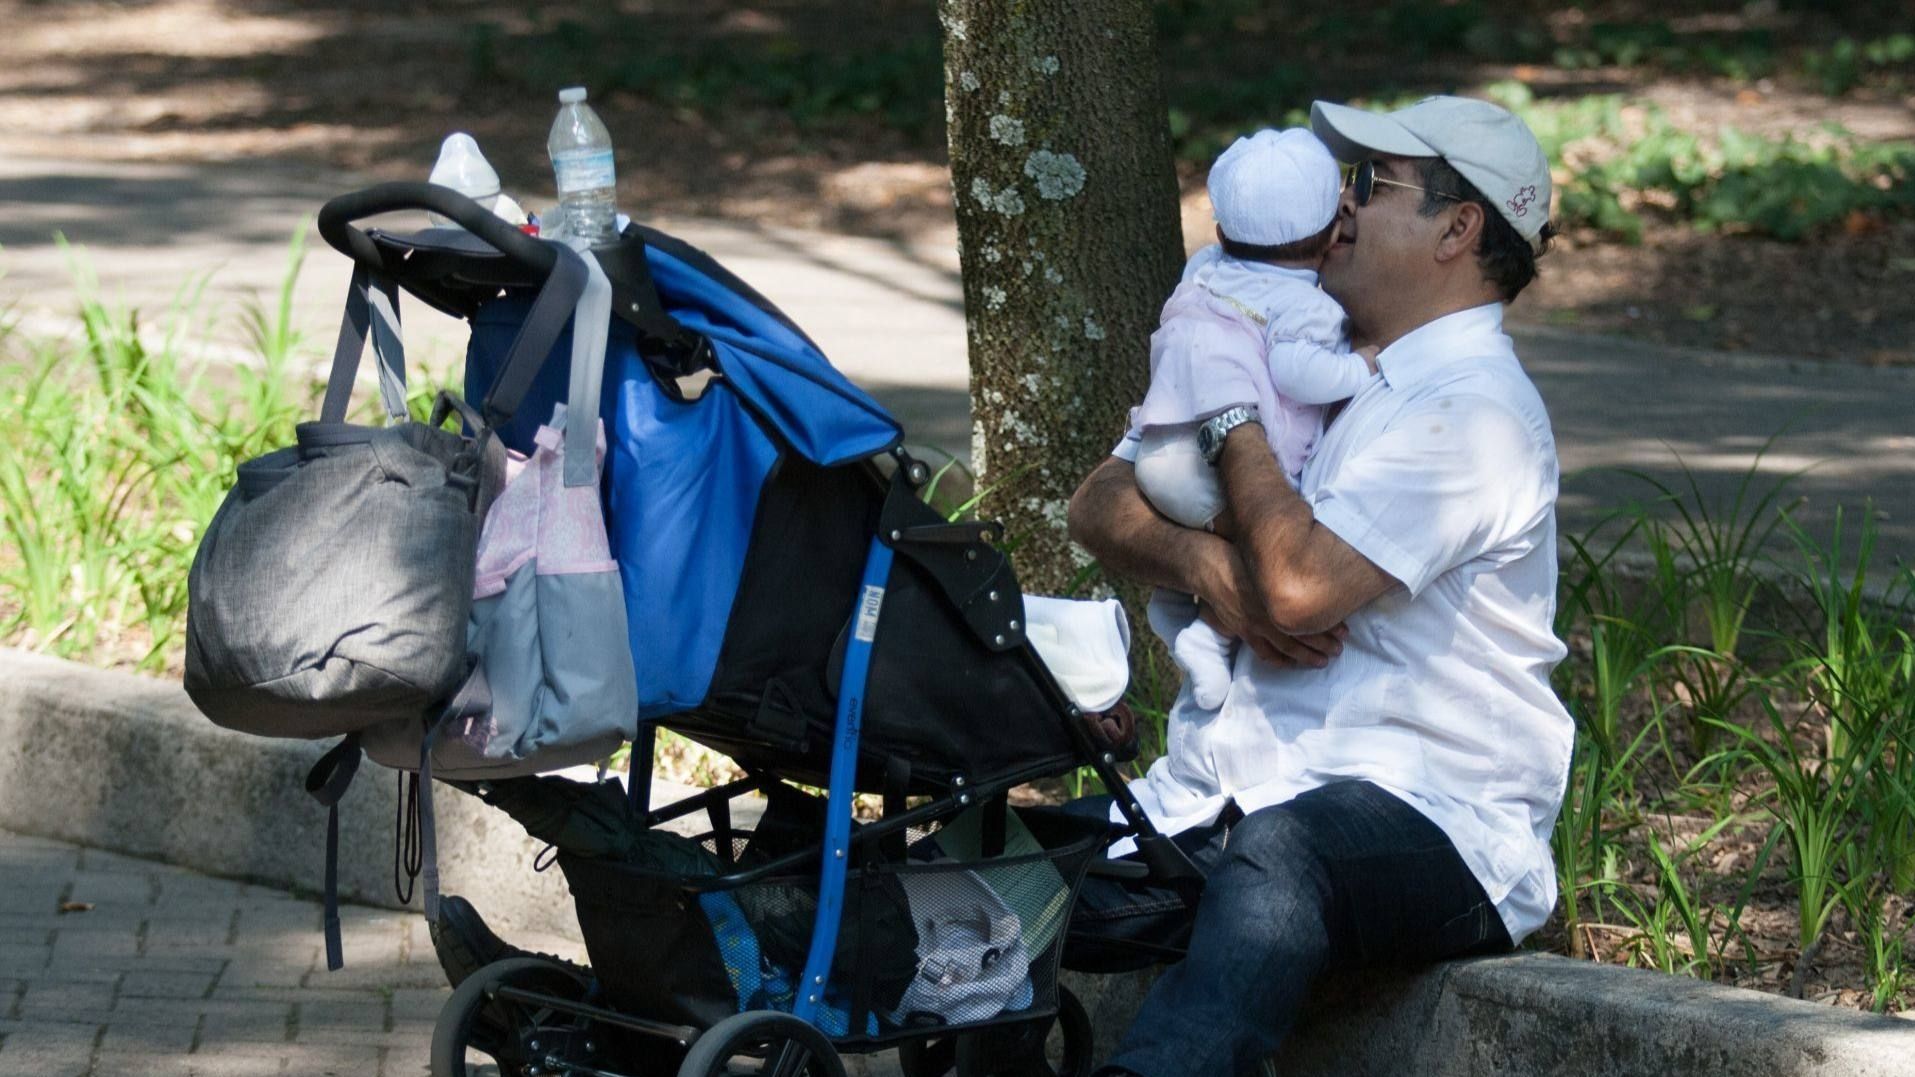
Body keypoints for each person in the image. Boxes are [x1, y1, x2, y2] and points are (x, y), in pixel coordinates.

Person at [1063, 95, 1575, 1077]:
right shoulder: (1301, 336)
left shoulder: (1473, 413)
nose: (1336, 211)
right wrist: (1210, 565)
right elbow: (1097, 500)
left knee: (1284, 856)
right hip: (1237, 788)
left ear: (1458, 230)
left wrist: (1228, 422)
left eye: (1368, 187)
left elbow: (1295, 592)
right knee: (1002, 863)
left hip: (1433, 814)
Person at [1131, 127, 1379, 714]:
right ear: (1331, 235)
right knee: (1265, 532)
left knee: (1209, 535)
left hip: (1158, 449)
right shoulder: (1309, 306)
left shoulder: (1206, 267)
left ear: (1220, 231)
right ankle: (1210, 632)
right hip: (1207, 468)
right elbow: (1297, 372)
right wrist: (1359, 371)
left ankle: (1174, 603)